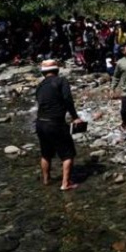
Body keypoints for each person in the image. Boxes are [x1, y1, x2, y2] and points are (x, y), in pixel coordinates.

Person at [35, 59, 83, 191]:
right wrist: (75, 117)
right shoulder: (61, 81)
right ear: (57, 70)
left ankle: (46, 179)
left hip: (40, 123)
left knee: (46, 154)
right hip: (55, 123)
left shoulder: (40, 85)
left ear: (43, 73)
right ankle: (66, 183)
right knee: (68, 154)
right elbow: (67, 99)